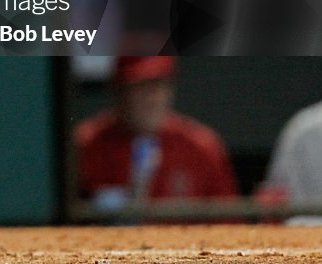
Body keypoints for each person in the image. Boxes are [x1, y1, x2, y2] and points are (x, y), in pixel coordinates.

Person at [75, 56, 240, 215]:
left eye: (159, 85)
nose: (152, 98)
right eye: (141, 87)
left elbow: (229, 224)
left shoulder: (201, 145)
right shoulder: (85, 144)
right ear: (118, 91)